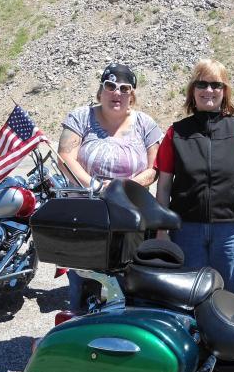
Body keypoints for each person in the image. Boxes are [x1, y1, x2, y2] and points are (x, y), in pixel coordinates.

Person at [154, 59, 234, 299]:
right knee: (189, 298)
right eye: (202, 84)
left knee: (232, 300)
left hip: (232, 232)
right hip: (187, 231)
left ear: (224, 91)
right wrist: (162, 230)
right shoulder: (176, 133)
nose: (209, 91)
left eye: (216, 85)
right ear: (192, 90)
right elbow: (163, 186)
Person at [57, 63, 163, 311]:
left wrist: (125, 187)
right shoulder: (80, 117)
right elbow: (64, 157)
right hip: (86, 216)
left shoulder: (145, 124)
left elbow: (154, 168)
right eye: (110, 86)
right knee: (85, 282)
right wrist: (95, 186)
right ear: (101, 90)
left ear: (132, 94)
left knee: (128, 283)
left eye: (124, 89)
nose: (117, 93)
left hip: (130, 218)